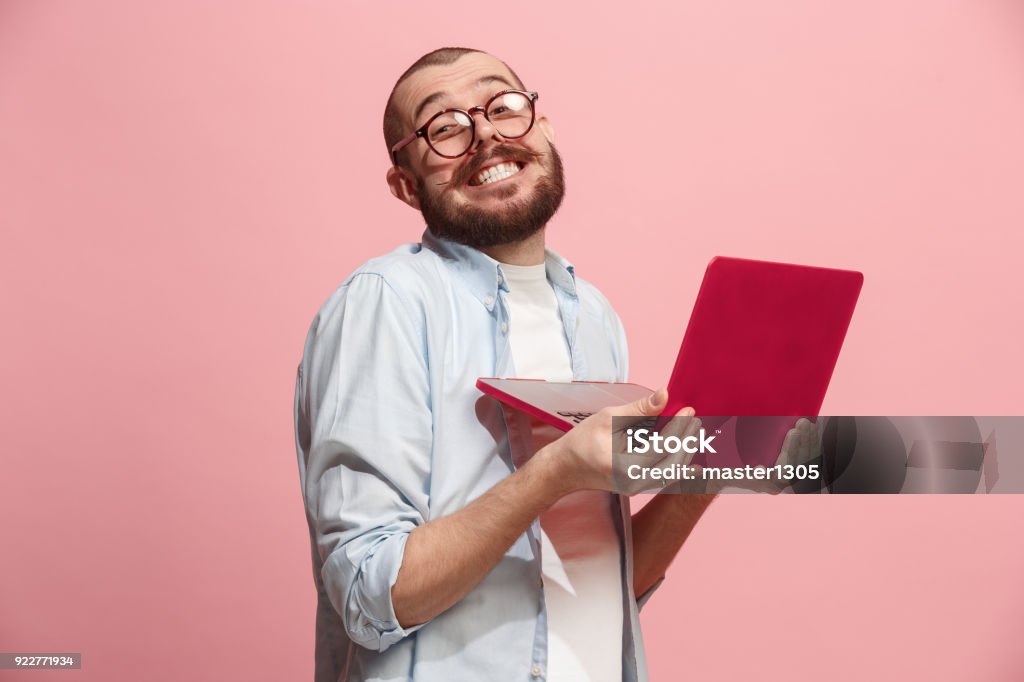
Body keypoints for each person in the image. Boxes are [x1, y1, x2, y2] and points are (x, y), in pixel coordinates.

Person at [293, 47, 715, 682]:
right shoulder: (387, 302)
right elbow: (365, 592)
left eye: (504, 106)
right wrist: (552, 475)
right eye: (445, 127)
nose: (486, 135)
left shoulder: (593, 314)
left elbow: (595, 588)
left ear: (542, 127)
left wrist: (703, 475)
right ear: (406, 184)